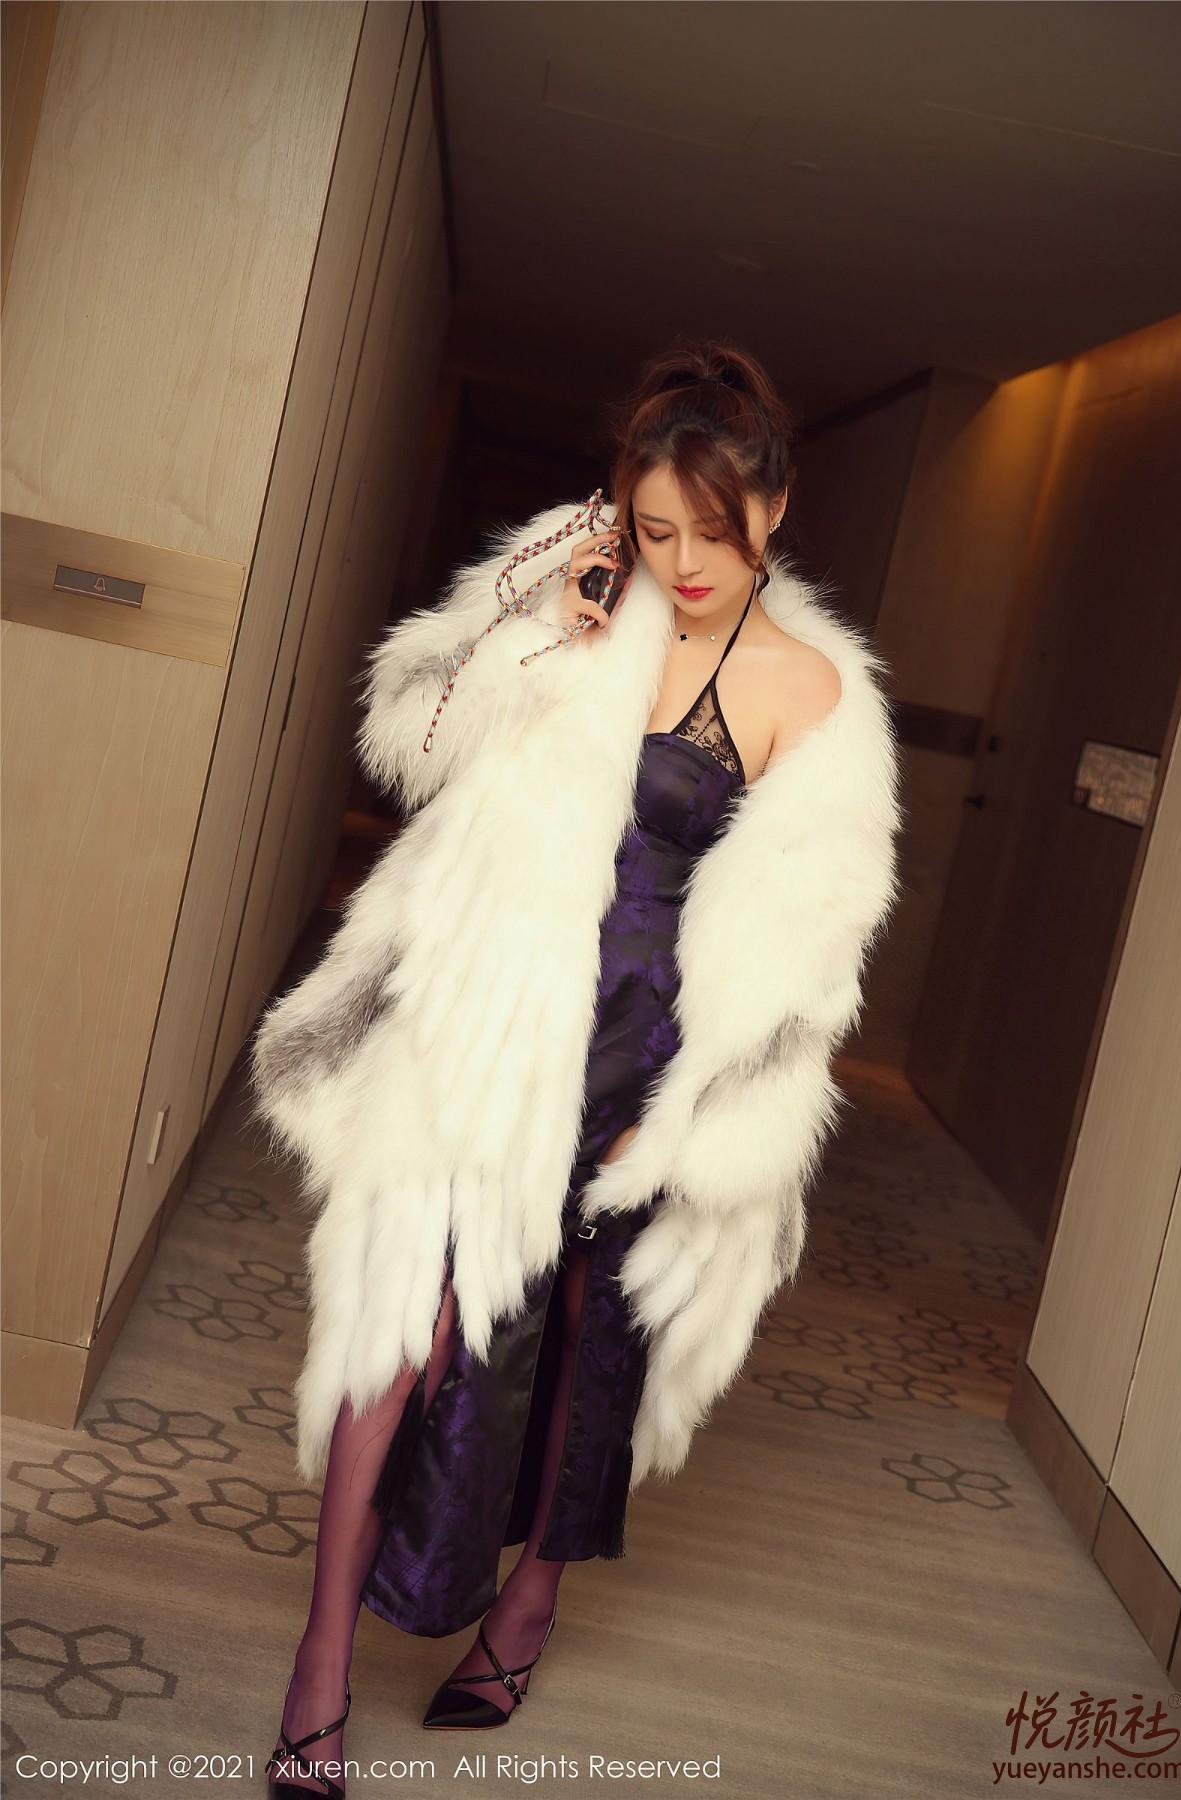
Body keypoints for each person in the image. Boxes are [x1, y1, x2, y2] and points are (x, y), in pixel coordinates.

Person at [252, 339, 902, 1794]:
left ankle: (528, 1604)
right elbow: (408, 740)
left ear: (775, 510)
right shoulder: (576, 600)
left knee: (586, 1360)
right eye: (656, 529)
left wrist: (681, 1124)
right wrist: (544, 623)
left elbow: (801, 958)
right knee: (404, 1327)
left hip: (642, 1065)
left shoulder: (812, 694)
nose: (686, 565)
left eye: (714, 534)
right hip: (494, 1030)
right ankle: (320, 1666)